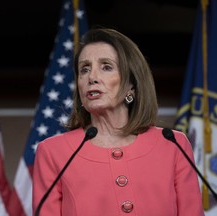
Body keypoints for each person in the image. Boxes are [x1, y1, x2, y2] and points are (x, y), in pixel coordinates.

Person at [33, 27, 204, 216]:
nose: (92, 77)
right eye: (84, 69)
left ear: (132, 85)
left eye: (106, 67)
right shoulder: (53, 152)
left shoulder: (173, 145)